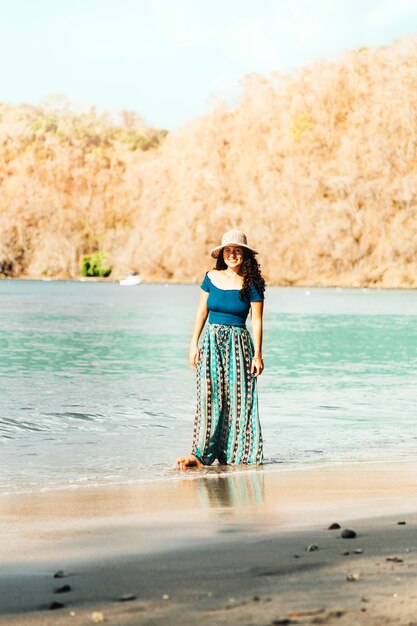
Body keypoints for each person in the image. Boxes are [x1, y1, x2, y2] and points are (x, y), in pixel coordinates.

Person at [176, 229, 265, 469]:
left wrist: (257, 355)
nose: (232, 255)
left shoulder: (252, 284)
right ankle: (200, 454)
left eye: (237, 251)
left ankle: (237, 455)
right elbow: (202, 312)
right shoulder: (211, 277)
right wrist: (193, 343)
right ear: (222, 254)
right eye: (228, 250)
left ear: (244, 255)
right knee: (208, 396)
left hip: (239, 344)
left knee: (239, 399)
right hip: (211, 341)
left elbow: (256, 321)